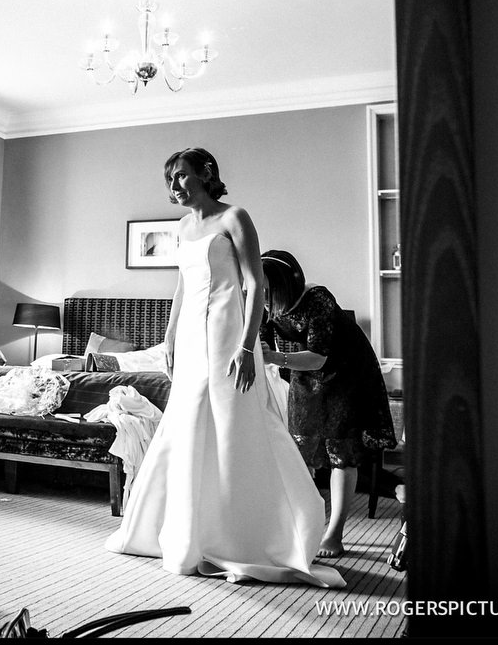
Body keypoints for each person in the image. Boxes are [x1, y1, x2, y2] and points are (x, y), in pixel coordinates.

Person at [105, 148, 344, 588]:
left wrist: (247, 345)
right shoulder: (181, 226)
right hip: (192, 339)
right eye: (169, 180)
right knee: (188, 421)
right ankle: (190, 530)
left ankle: (248, 533)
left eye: (181, 177)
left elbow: (254, 284)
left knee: (234, 422)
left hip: (229, 334)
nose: (174, 187)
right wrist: (170, 337)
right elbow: (180, 285)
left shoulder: (235, 217)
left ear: (207, 173)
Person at [258, 249, 399, 558]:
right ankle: (303, 526)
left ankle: (334, 532)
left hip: (344, 375)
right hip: (304, 377)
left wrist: (273, 357)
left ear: (285, 284)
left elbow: (318, 356)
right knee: (300, 449)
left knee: (341, 454)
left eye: (268, 290)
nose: (263, 296)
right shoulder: (262, 298)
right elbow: (261, 336)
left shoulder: (318, 300)